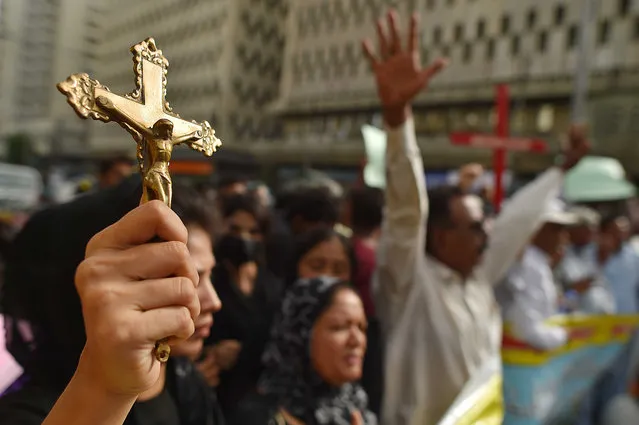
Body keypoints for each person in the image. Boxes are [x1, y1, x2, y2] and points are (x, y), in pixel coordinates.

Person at [361, 10, 590, 424]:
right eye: (474, 228)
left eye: (486, 227)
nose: (488, 236)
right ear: (441, 238)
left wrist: (561, 169)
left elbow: (517, 221)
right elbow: (406, 213)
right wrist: (397, 120)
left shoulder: (481, 281)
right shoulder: (408, 285)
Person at [0, 178, 225, 425]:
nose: (213, 301)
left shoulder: (184, 381)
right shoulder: (28, 413)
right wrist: (108, 389)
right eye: (185, 278)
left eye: (209, 276)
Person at [202, 194, 283, 425]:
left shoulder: (272, 286)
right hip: (217, 392)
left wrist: (246, 350)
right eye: (235, 229)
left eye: (253, 231)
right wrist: (211, 352)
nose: (244, 239)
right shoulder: (210, 282)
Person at [260, 277, 374, 425]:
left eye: (362, 327)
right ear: (301, 334)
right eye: (339, 327)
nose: (357, 340)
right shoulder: (264, 416)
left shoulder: (357, 408)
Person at [502, 199, 577, 350]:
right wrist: (564, 336)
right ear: (536, 228)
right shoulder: (526, 264)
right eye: (556, 229)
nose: (563, 236)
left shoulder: (539, 262)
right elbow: (528, 330)